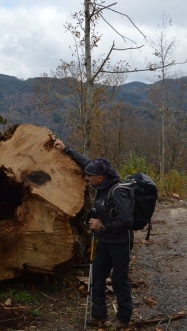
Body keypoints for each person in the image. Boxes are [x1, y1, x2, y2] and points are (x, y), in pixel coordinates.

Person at [54, 139, 133, 329]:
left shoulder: (117, 192)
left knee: (119, 280)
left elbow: (127, 222)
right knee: (96, 277)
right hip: (105, 242)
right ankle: (99, 316)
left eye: (90, 176)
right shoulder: (101, 183)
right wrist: (67, 149)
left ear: (101, 177)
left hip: (120, 242)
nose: (87, 178)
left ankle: (123, 318)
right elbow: (86, 163)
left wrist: (102, 225)